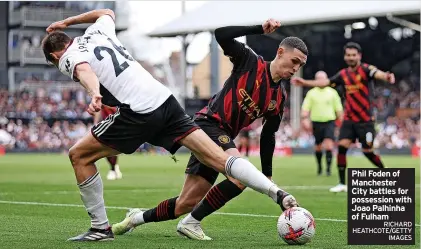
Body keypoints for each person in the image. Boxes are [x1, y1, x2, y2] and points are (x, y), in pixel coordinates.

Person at [42, 10, 298, 241]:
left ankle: (104, 227)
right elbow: (106, 12)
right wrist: (69, 21)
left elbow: (84, 70)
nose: (296, 69)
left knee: (79, 156)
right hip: (166, 100)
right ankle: (277, 194)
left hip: (139, 109)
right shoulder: (98, 30)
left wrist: (94, 91)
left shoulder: (69, 56)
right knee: (223, 167)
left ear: (55, 55)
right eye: (295, 62)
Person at [113, 21, 308, 240]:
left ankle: (134, 219)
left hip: (221, 137)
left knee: (185, 203)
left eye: (299, 66)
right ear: (280, 52)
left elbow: (268, 134)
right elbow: (221, 34)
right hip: (208, 125)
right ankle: (192, 223)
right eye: (294, 61)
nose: (294, 68)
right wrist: (259, 29)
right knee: (239, 176)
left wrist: (267, 174)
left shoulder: (279, 98)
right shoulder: (250, 62)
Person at [292, 42, 395, 192]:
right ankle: (342, 183)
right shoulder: (343, 74)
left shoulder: (366, 69)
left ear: (359, 56)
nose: (351, 57)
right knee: (341, 148)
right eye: (348, 55)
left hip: (365, 120)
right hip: (349, 119)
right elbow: (325, 83)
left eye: (354, 55)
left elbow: (378, 73)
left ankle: (386, 172)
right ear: (345, 56)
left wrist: (386, 76)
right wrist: (304, 83)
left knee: (368, 152)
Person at [301, 71, 343, 176]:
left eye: (322, 78)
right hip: (316, 122)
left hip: (329, 122)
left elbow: (339, 110)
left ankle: (328, 169)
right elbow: (305, 109)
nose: (320, 81)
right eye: (318, 78)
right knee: (318, 147)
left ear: (326, 79)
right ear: (315, 80)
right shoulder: (311, 93)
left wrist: (341, 123)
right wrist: (305, 119)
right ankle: (320, 167)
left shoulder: (332, 92)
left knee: (329, 145)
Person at [93, 105, 122, 180]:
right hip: (106, 124)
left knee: (112, 147)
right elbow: (98, 109)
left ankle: (113, 168)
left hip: (117, 124)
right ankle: (114, 167)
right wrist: (95, 123)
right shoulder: (103, 98)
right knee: (105, 148)